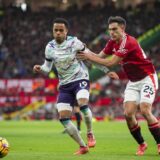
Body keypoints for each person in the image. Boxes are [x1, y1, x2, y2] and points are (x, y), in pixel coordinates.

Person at [33, 18, 118, 155]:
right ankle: (83, 146)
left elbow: (90, 57)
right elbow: (47, 68)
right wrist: (40, 68)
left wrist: (107, 71)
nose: (58, 33)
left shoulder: (75, 42)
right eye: (56, 30)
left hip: (80, 78)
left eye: (61, 30)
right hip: (65, 85)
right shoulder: (49, 47)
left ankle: (90, 132)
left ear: (66, 31)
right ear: (53, 31)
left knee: (83, 103)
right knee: (63, 118)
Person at [77, 16, 160, 156]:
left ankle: (159, 143)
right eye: (110, 30)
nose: (112, 32)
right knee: (128, 114)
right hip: (133, 82)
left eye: (115, 29)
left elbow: (111, 63)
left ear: (123, 28)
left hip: (147, 77)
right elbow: (99, 56)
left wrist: (87, 56)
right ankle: (142, 144)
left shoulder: (129, 42)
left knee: (145, 110)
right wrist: (86, 51)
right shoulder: (112, 42)